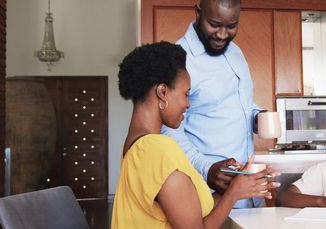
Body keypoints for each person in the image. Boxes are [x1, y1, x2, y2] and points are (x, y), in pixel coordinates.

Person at [111, 42, 279, 228]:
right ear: (163, 92)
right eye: (186, 94)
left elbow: (190, 212)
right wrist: (233, 195)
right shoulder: (157, 150)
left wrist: (237, 186)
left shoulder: (136, 146)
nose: (188, 104)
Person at [161, 0, 264, 208]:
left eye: (231, 26)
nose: (222, 35)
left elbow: (235, 102)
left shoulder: (235, 52)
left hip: (247, 191)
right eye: (214, 24)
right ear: (198, 12)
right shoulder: (179, 59)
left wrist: (258, 116)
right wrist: (206, 168)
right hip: (207, 192)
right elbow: (168, 131)